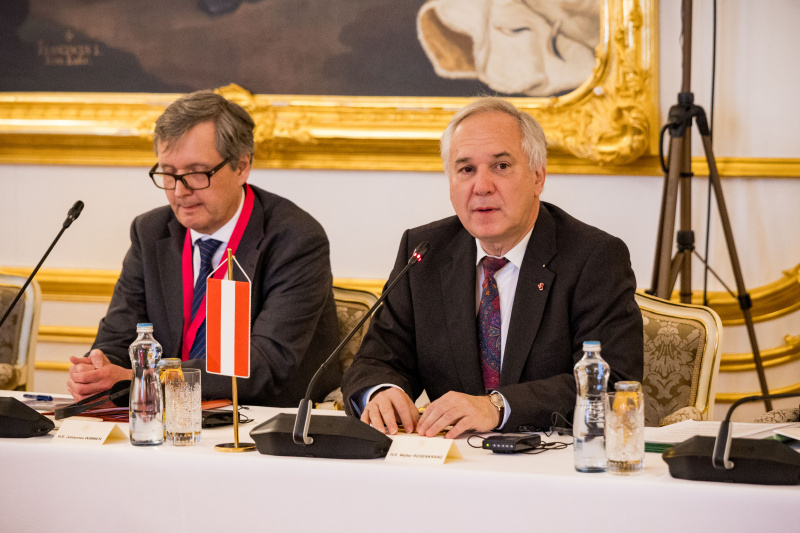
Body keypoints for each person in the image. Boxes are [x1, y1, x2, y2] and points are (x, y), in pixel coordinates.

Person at [342, 97, 643, 438]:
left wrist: (498, 406)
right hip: (452, 465)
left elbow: (614, 381)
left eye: (501, 166)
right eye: (466, 169)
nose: (481, 186)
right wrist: (381, 392)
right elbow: (375, 360)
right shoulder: (425, 252)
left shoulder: (594, 257)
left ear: (537, 176)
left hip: (552, 467)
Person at [67, 90, 341, 406]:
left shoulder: (296, 239)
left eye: (196, 174)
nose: (180, 191)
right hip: (165, 419)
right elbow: (118, 340)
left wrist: (147, 378)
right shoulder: (151, 232)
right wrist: (96, 369)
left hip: (263, 424)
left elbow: (266, 365)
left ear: (241, 166)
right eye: (168, 174)